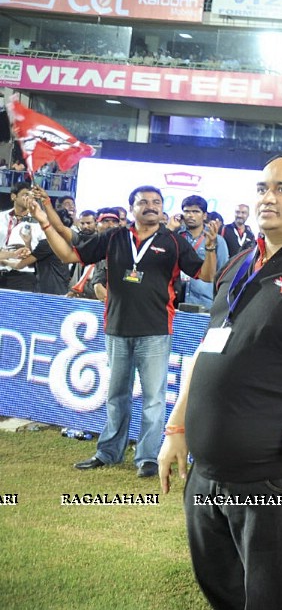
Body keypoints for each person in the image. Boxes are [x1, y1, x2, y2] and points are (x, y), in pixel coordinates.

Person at [157, 154, 282, 610]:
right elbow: (206, 350)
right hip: (205, 478)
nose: (268, 197)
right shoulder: (237, 266)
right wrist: (177, 427)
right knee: (223, 596)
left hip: (273, 481)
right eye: (263, 187)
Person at [32, 184, 218, 477]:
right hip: (116, 328)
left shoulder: (172, 241)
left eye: (156, 202)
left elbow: (205, 275)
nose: (151, 206)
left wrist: (209, 247)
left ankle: (146, 458)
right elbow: (70, 256)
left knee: (154, 398)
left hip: (156, 330)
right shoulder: (114, 237)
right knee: (116, 394)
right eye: (143, 202)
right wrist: (45, 222)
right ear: (132, 208)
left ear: (162, 207)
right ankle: (108, 452)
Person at [176, 194, 231, 311]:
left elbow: (223, 274)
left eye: (196, 211)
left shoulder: (217, 240)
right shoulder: (176, 238)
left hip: (204, 303)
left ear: (204, 215)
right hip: (175, 301)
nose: (190, 215)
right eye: (186, 211)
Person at [0, 181, 42, 292]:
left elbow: (41, 251)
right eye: (25, 194)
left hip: (23, 276)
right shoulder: (1, 217)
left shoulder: (39, 221)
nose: (29, 198)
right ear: (14, 196)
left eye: (31, 196)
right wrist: (11, 254)